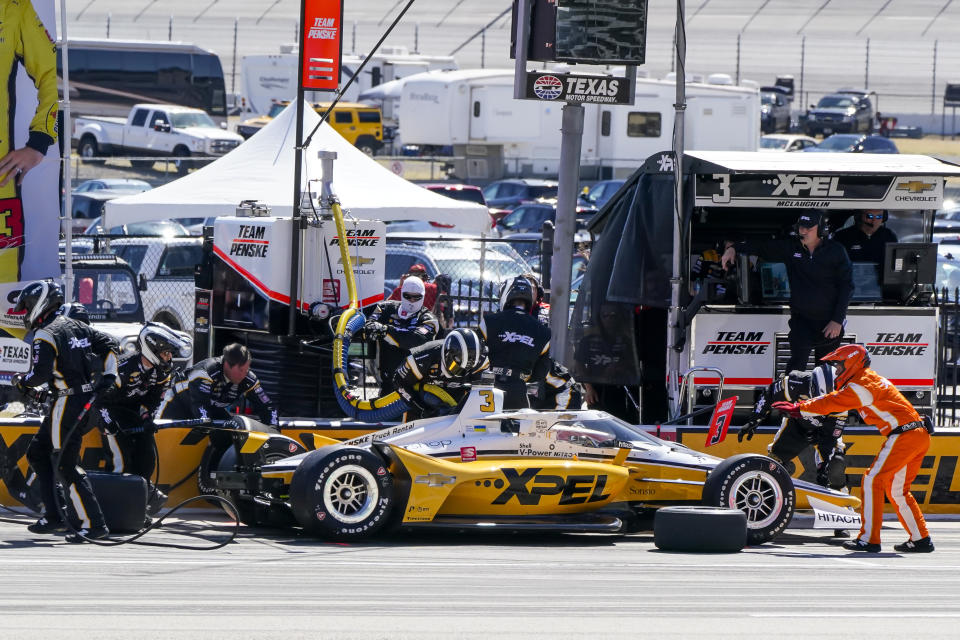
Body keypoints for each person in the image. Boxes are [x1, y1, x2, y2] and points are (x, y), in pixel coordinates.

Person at [772, 344, 935, 553]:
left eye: (838, 365)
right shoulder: (869, 379)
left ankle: (869, 539)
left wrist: (799, 408)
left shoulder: (861, 385)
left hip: (905, 435)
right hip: (917, 434)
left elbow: (833, 402)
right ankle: (921, 538)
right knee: (898, 491)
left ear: (851, 363)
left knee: (872, 480)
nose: (836, 371)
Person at [12, 279, 118, 542]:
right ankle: (54, 515)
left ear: (40, 303)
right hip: (79, 400)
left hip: (67, 403)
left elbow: (39, 375)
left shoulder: (45, 333)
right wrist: (110, 375)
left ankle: (94, 524)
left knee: (66, 464)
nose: (25, 313)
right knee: (38, 452)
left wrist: (20, 380)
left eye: (26, 307)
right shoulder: (77, 325)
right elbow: (112, 344)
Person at [722, 211, 853, 373]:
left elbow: (847, 286)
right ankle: (790, 398)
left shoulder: (836, 251)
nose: (803, 231)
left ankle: (822, 399)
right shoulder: (791, 247)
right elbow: (762, 246)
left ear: (821, 230)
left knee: (826, 372)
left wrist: (837, 320)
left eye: (808, 228)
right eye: (801, 227)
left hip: (829, 323)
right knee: (796, 369)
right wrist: (734, 248)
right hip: (801, 321)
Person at [96, 323, 192, 517]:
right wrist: (110, 424)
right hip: (109, 414)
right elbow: (99, 401)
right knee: (120, 463)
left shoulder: (162, 373)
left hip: (132, 415)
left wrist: (147, 417)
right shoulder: (122, 369)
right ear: (152, 350)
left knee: (147, 459)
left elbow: (152, 400)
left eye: (170, 354)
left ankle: (138, 511)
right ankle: (114, 513)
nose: (169, 357)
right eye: (166, 353)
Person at [0, 0, 58, 283]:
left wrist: (39, 142)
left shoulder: (14, 7)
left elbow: (49, 73)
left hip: (1, 178)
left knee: (3, 294)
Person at [738, 363, 849, 490]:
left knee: (835, 467)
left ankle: (841, 499)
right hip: (796, 425)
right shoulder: (796, 382)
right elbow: (769, 393)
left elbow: (831, 438)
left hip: (825, 431)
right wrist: (754, 419)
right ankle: (767, 496)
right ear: (812, 385)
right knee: (773, 465)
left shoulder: (842, 400)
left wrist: (825, 468)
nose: (821, 404)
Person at [480, 276, 552, 409]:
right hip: (519, 393)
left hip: (488, 390)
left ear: (506, 294)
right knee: (516, 429)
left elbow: (477, 357)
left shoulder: (489, 321)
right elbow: (540, 373)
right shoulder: (544, 332)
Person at [364, 275, 439, 393]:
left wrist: (385, 331)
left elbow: (414, 340)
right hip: (386, 379)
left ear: (423, 296)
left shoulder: (429, 320)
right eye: (408, 296)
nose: (412, 301)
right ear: (402, 293)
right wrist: (374, 329)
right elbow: (369, 325)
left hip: (415, 385)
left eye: (416, 297)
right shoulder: (385, 308)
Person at [392, 328, 488, 417]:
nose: (460, 373)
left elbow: (481, 393)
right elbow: (399, 381)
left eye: (467, 370)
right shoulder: (424, 357)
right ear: (446, 354)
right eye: (456, 367)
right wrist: (421, 408)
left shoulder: (482, 361)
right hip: (422, 399)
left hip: (455, 402)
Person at [186, 343, 278, 427]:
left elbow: (267, 406)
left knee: (230, 432)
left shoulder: (248, 379)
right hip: (179, 405)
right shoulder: (206, 372)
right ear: (227, 365)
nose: (244, 374)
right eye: (241, 370)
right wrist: (207, 428)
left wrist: (273, 428)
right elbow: (200, 405)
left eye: (247, 370)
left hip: (209, 410)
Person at [833, 210, 898, 265]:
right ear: (859, 216)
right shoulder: (842, 236)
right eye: (870, 216)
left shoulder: (889, 236)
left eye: (879, 217)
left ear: (884, 218)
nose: (874, 221)